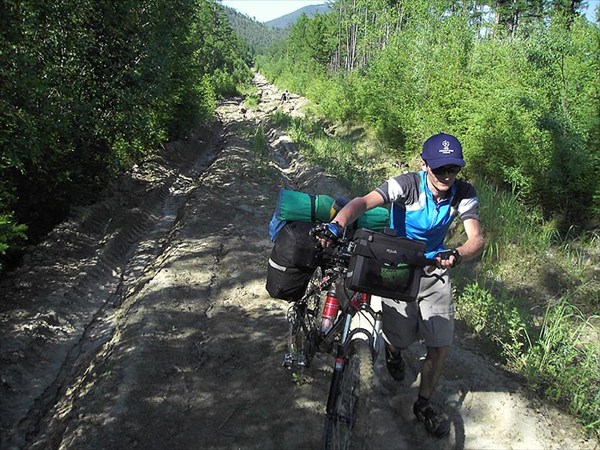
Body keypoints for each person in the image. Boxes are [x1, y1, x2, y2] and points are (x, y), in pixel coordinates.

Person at [320, 132, 484, 437]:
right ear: (425, 165)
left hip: (435, 270)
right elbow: (363, 202)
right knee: (401, 338)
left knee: (440, 346)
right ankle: (394, 351)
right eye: (440, 169)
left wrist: (457, 254)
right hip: (399, 267)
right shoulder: (406, 185)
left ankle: (423, 403)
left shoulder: (463, 192)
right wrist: (337, 224)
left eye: (453, 169)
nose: (447, 175)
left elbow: (476, 239)